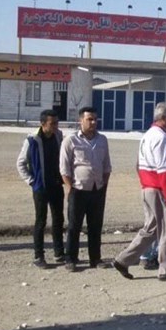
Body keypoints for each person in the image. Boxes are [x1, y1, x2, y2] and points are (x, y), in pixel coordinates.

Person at [111, 102, 166, 281]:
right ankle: (165, 269)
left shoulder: (148, 135)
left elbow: (140, 165)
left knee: (151, 229)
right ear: (165, 118)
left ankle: (123, 260)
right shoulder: (161, 138)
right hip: (160, 189)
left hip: (150, 187)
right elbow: (165, 169)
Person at [60, 106, 112, 272]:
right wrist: (70, 188)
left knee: (95, 226)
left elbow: (107, 166)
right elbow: (64, 168)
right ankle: (71, 259)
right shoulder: (71, 140)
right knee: (74, 226)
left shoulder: (102, 140)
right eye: (89, 119)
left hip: (97, 190)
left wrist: (103, 185)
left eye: (95, 119)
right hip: (78, 189)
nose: (93, 122)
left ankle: (95, 258)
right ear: (80, 120)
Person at [16, 109, 65, 268]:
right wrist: (31, 181)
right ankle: (39, 255)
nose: (56, 126)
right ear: (43, 124)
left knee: (58, 219)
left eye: (57, 123)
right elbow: (20, 163)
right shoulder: (32, 140)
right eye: (52, 123)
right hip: (40, 188)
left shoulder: (59, 136)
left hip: (56, 185)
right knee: (41, 221)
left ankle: (59, 253)